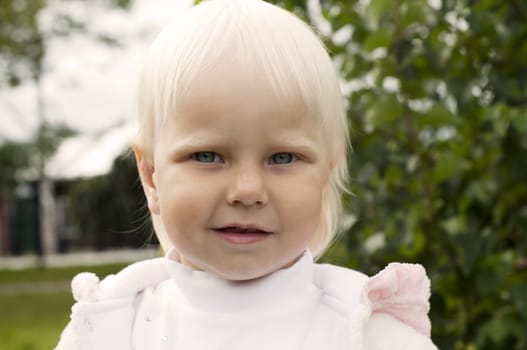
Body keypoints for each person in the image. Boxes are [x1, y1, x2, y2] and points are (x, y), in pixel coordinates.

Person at [56, 0, 437, 348]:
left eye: (284, 158)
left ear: (325, 176)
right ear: (152, 174)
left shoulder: (365, 329)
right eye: (208, 155)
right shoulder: (111, 327)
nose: (248, 190)